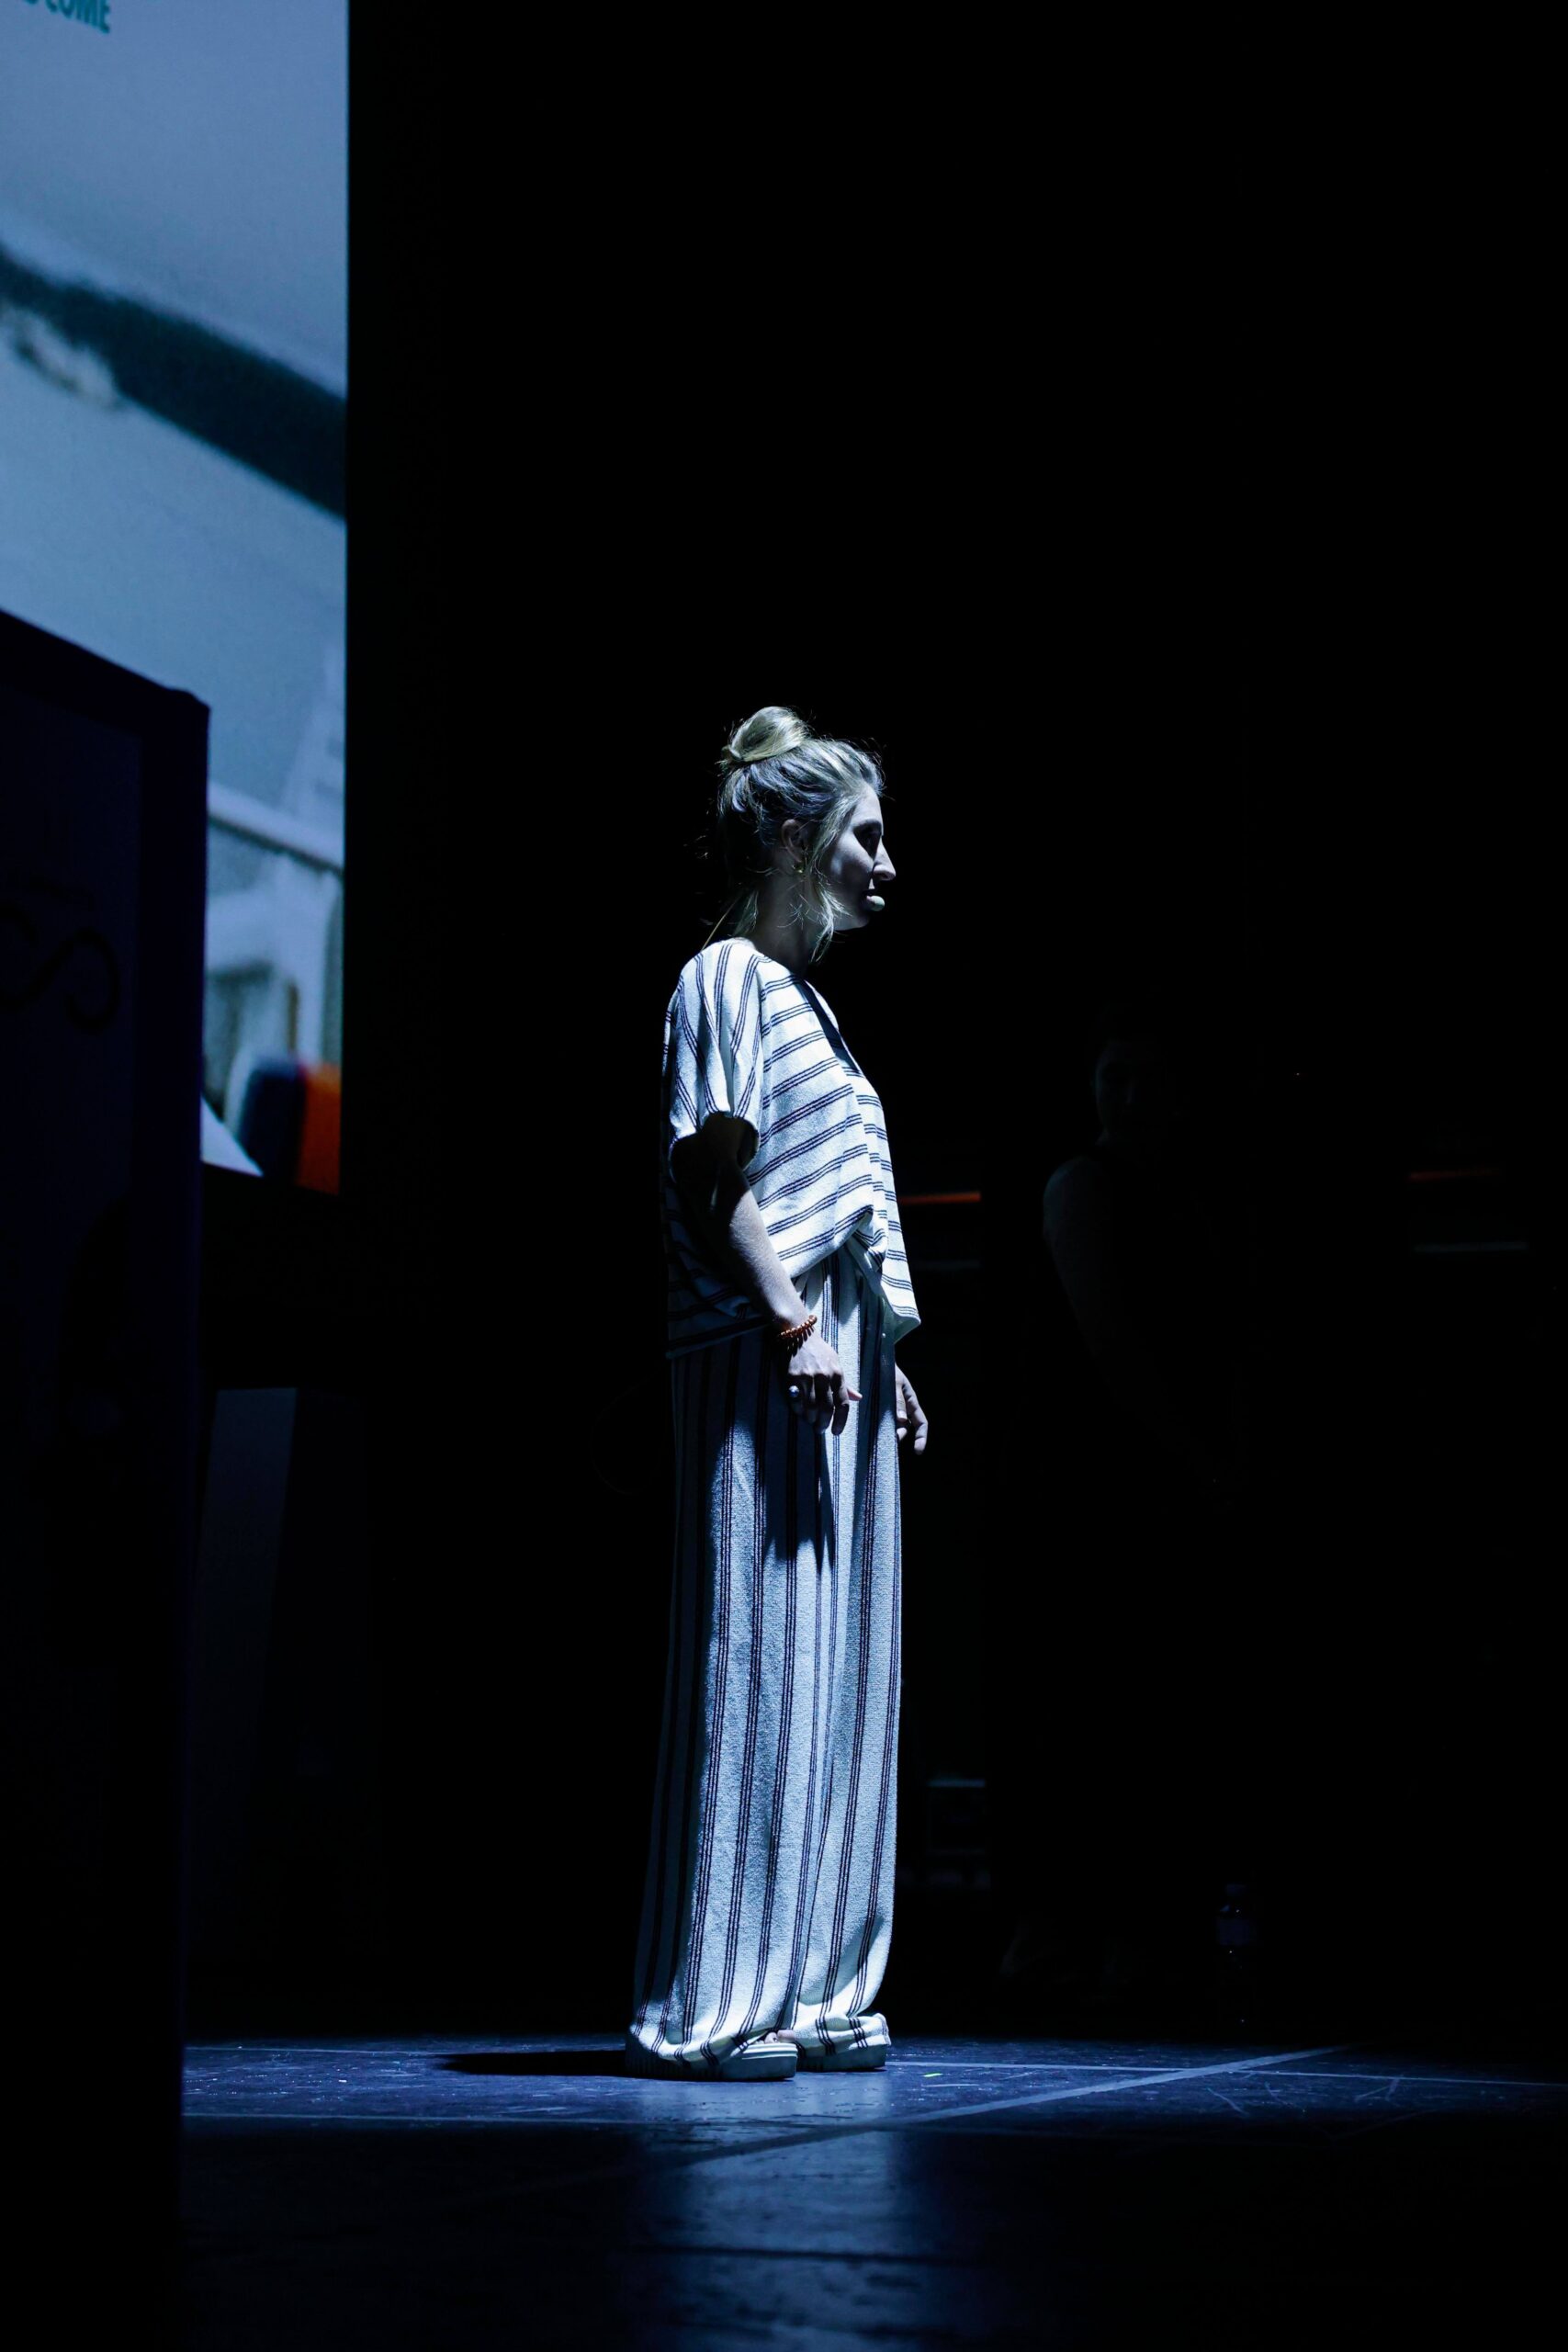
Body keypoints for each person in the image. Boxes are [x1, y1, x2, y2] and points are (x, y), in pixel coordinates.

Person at [626, 705, 929, 2081]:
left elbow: (840, 1201)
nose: (887, 863)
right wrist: (795, 1319)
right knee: (758, 1666)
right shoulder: (727, 979)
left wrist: (881, 1353)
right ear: (798, 840)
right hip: (767, 1350)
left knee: (846, 1678)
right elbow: (711, 1172)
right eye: (866, 835)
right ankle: (717, 2000)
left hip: (832, 1358)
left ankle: (815, 1988)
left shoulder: (813, 1009)